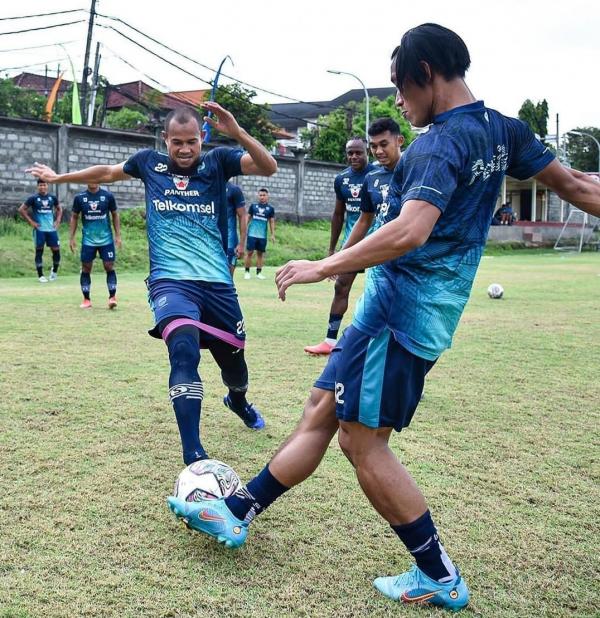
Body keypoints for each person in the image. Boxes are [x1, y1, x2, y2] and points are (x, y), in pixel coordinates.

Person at [166, 24, 600, 612]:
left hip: (404, 314)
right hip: (390, 311)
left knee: (362, 441)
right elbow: (577, 185)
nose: (397, 100)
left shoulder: (439, 144)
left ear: (424, 74)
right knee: (320, 408)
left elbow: (411, 229)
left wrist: (325, 266)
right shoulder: (505, 130)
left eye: (399, 85)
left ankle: (438, 575)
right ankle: (237, 513)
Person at [28, 102, 277, 465]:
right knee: (183, 351)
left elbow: (268, 167)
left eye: (192, 141)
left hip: (217, 284)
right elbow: (109, 171)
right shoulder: (149, 163)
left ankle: (237, 399)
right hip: (170, 283)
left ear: (201, 139)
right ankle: (193, 453)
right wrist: (58, 177)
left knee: (234, 368)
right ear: (166, 140)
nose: (185, 149)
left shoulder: (219, 162)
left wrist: (237, 132)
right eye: (177, 142)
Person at [303, 138, 375, 355]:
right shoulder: (341, 179)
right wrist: (332, 249)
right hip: (351, 245)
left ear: (367, 152)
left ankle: (380, 343)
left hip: (378, 243)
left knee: (379, 291)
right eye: (350, 153)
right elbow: (337, 215)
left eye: (358, 153)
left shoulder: (377, 176)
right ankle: (330, 341)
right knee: (341, 286)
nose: (354, 157)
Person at [70, 183, 122, 309]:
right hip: (88, 240)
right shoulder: (80, 198)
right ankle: (86, 299)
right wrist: (71, 237)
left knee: (109, 266)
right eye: (90, 178)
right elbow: (74, 217)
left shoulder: (107, 196)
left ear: (99, 180)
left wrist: (118, 235)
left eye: (95, 178)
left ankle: (112, 297)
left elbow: (115, 214)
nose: (93, 180)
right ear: (86, 180)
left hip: (106, 239)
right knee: (86, 268)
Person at [18, 179, 62, 283]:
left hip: (51, 229)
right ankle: (41, 275)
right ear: (38, 186)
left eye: (44, 185)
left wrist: (58, 220)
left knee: (56, 250)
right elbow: (21, 209)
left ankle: (54, 271)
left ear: (47, 185)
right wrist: (31, 222)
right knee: (39, 250)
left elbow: (59, 208)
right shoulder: (33, 198)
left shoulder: (52, 198)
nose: (42, 187)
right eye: (40, 185)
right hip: (39, 229)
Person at [244, 188, 275, 280]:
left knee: (260, 254)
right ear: (258, 196)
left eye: (264, 195)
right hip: (252, 234)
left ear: (267, 196)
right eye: (260, 195)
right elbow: (248, 218)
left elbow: (271, 222)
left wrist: (272, 234)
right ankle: (247, 272)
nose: (262, 197)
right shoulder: (253, 206)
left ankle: (259, 273)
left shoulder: (270, 209)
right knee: (249, 252)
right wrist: (243, 229)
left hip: (262, 236)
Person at [225, 181, 247, 276]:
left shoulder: (233, 189)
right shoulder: (206, 186)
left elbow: (242, 216)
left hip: (229, 241)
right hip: (209, 241)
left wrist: (241, 244)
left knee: (227, 280)